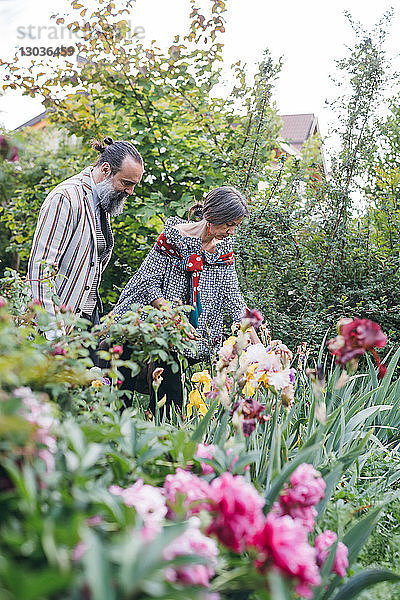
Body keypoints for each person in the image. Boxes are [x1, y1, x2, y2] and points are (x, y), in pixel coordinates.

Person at [113, 185, 259, 415]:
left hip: (194, 329)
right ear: (212, 216)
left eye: (236, 227)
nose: (231, 232)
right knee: (140, 386)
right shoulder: (174, 238)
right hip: (158, 324)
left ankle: (169, 436)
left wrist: (256, 341)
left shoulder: (223, 249)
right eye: (228, 225)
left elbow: (233, 296)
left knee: (177, 400)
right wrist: (175, 319)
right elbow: (147, 283)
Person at [27, 136, 144, 338]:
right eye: (126, 183)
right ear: (106, 170)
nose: (130, 191)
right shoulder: (66, 198)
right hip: (57, 324)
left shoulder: (102, 199)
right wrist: (51, 332)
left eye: (134, 185)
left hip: (85, 320)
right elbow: (41, 269)